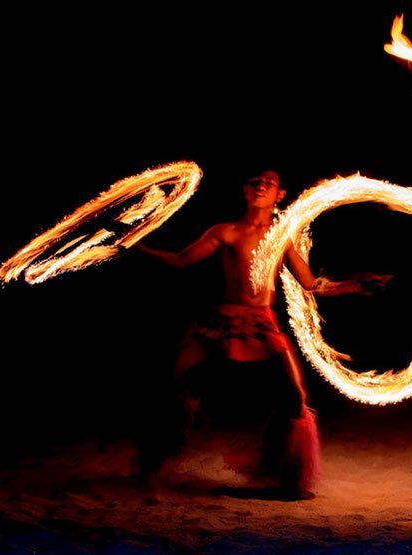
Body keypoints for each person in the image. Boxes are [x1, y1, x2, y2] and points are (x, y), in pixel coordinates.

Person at [133, 169, 390, 499]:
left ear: (280, 195)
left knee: (296, 398)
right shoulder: (225, 231)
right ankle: (151, 471)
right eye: (255, 181)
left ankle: (290, 479)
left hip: (262, 323)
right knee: (183, 392)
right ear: (244, 189)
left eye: (269, 183)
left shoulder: (281, 238)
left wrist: (354, 283)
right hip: (223, 322)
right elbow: (182, 260)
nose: (261, 186)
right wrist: (138, 249)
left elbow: (311, 285)